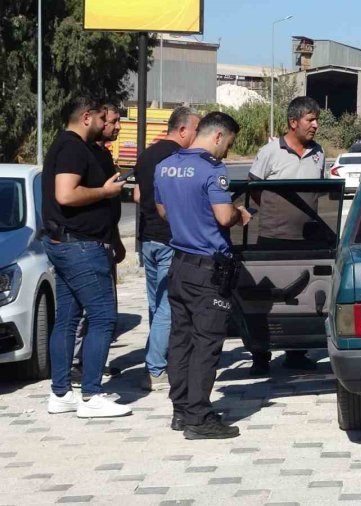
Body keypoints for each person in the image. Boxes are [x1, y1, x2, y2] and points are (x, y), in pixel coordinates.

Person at [155, 111, 252, 439]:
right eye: (229, 144)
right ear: (217, 137)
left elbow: (163, 211)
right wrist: (241, 214)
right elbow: (224, 217)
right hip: (208, 268)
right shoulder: (212, 169)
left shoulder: (164, 166)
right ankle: (199, 418)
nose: (227, 151)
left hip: (178, 263)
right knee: (206, 342)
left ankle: (180, 410)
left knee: (180, 339)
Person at [43, 97, 132, 418]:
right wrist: (105, 193)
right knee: (103, 317)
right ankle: (91, 395)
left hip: (71, 243)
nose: (108, 124)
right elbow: (65, 194)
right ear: (86, 117)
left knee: (67, 318)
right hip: (79, 246)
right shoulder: (72, 148)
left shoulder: (76, 147)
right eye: (102, 118)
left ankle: (61, 393)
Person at [246, 96, 325, 375]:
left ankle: (296, 353)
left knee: (300, 298)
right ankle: (260, 356)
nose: (315, 125)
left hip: (306, 240)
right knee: (264, 298)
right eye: (310, 120)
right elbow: (253, 190)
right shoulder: (269, 152)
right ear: (293, 122)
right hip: (272, 238)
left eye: (316, 120)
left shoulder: (319, 152)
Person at [133, 107, 201, 391]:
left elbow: (137, 195)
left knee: (155, 303)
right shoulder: (179, 158)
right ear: (183, 130)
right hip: (170, 239)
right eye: (196, 130)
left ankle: (158, 357)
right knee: (167, 307)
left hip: (147, 239)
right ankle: (156, 368)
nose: (198, 136)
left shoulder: (147, 154)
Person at [70, 103, 126, 387]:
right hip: (86, 245)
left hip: (105, 239)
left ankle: (92, 363)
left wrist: (115, 239)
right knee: (88, 311)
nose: (116, 126)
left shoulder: (102, 154)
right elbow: (72, 196)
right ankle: (80, 370)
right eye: (112, 120)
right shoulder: (80, 152)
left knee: (101, 312)